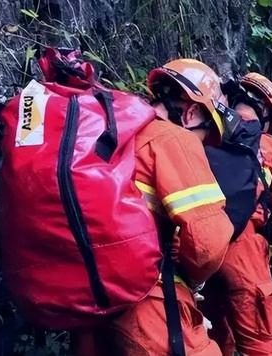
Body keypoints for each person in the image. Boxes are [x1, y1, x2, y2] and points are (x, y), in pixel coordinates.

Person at [74, 58, 234, 356]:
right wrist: (195, 279)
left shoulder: (113, 130)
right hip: (145, 303)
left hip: (88, 301)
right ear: (192, 112)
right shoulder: (172, 138)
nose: (201, 143)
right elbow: (208, 242)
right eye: (204, 133)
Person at [202, 72, 272, 356]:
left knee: (212, 337)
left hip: (198, 242)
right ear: (268, 116)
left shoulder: (202, 131)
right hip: (243, 246)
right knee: (260, 345)